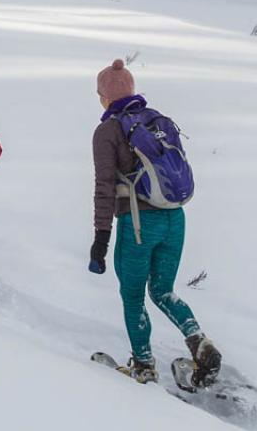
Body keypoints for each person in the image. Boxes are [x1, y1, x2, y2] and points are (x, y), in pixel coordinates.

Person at [87, 58, 220, 385]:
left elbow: (104, 187)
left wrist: (101, 238)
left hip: (138, 225)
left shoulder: (108, 131)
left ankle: (144, 367)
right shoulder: (156, 120)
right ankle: (198, 341)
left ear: (105, 97)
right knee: (162, 290)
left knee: (133, 296)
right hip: (175, 218)